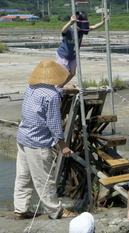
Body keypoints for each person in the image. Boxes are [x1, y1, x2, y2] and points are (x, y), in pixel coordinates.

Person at [14, 60, 75, 220]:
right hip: (37, 141)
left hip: (23, 135)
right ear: (55, 76)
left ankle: (21, 209)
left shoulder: (31, 86)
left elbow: (47, 94)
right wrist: (63, 145)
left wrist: (63, 90)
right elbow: (54, 123)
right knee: (44, 178)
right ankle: (56, 211)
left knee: (23, 176)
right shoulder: (52, 95)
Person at [56, 12, 107, 87]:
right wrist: (70, 22)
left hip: (73, 55)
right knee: (65, 72)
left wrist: (103, 22)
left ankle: (60, 86)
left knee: (72, 73)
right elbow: (63, 30)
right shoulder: (69, 30)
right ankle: (57, 86)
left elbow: (94, 27)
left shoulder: (82, 30)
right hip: (63, 54)